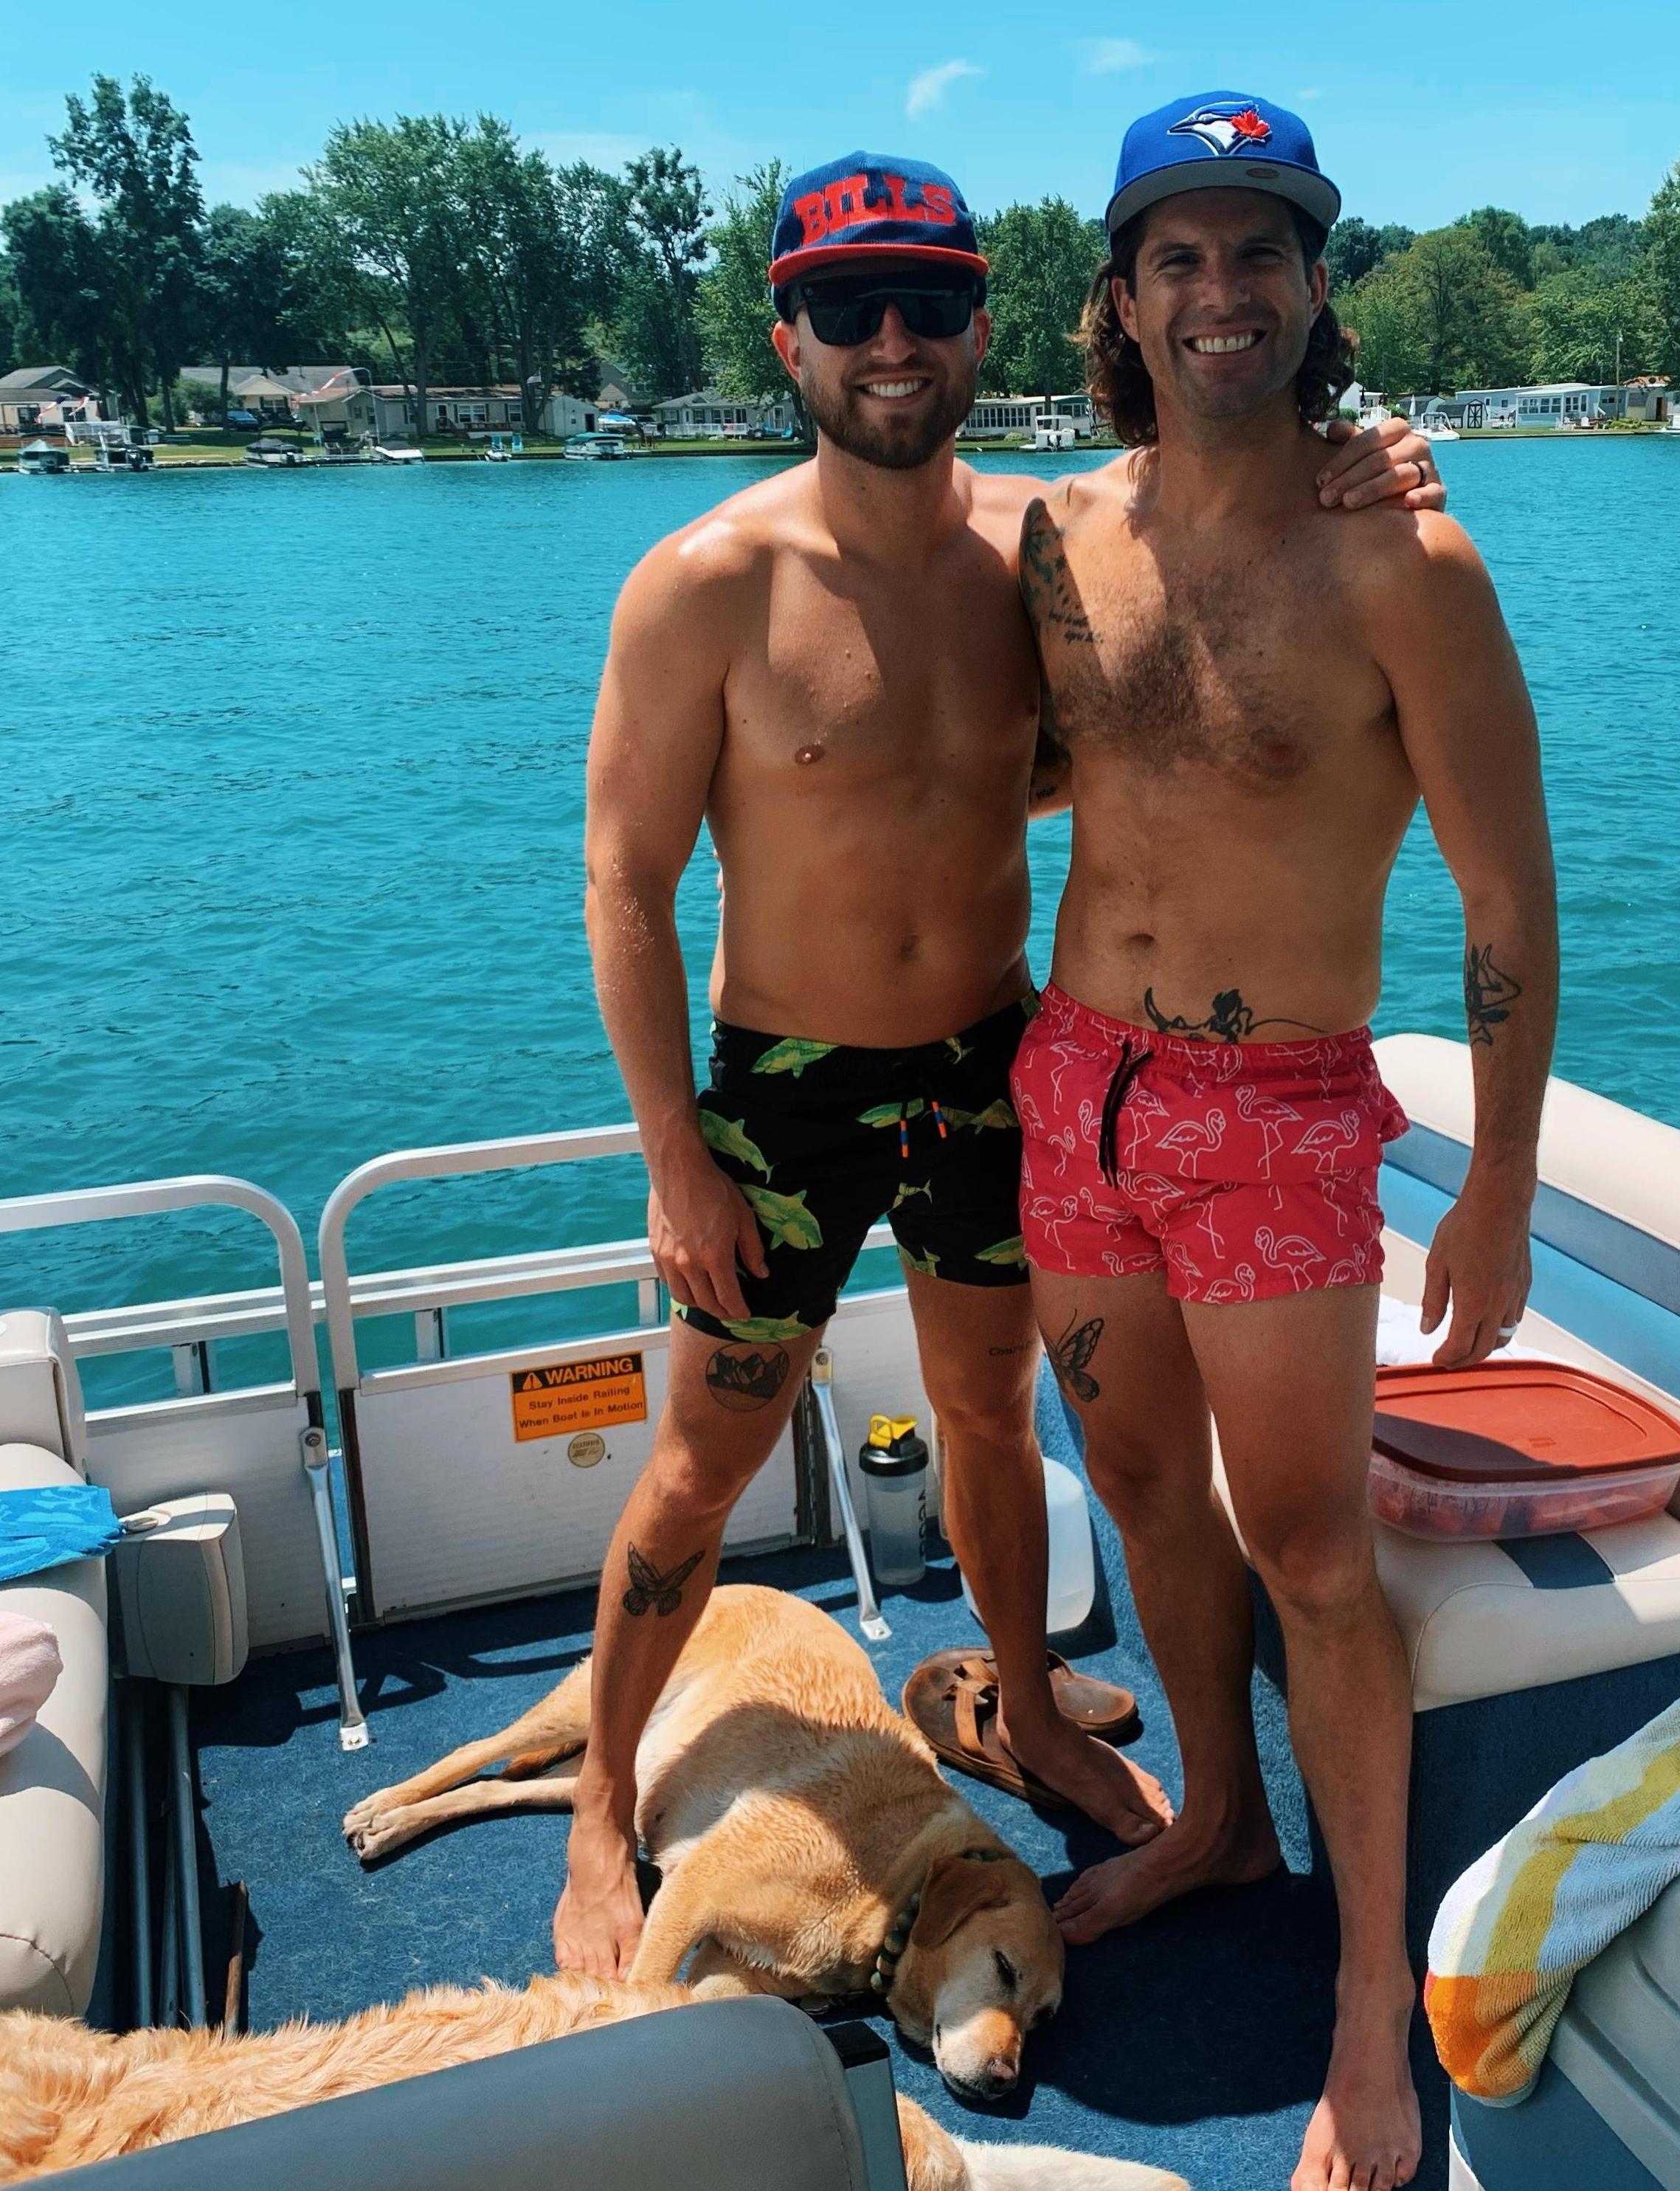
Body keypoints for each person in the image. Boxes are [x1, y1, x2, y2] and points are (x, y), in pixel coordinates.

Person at [561, 148, 1448, 1979]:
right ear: (788, 341)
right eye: (846, 308)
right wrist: (675, 1156)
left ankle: (1026, 1703)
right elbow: (624, 888)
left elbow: (1210, 570)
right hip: (787, 1092)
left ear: (983, 327)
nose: (892, 340)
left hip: (994, 1065)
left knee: (990, 1412)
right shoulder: (705, 584)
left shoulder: (1048, 549)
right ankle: (594, 1796)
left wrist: (1378, 454)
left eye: (932, 303)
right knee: (702, 1463)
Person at [1010, 94, 1559, 2191]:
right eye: (1182, 256)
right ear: (1124, 296)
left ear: (1317, 289)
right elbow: (1019, 751)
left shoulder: (1406, 559)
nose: (1221, 292)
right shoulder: (1056, 537)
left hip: (1277, 1113)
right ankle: (1221, 1819)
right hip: (1077, 1086)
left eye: (1262, 254)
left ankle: (1364, 1999)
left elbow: (1507, 903)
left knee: (1314, 1555)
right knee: (1145, 1483)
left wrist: (1496, 1183)